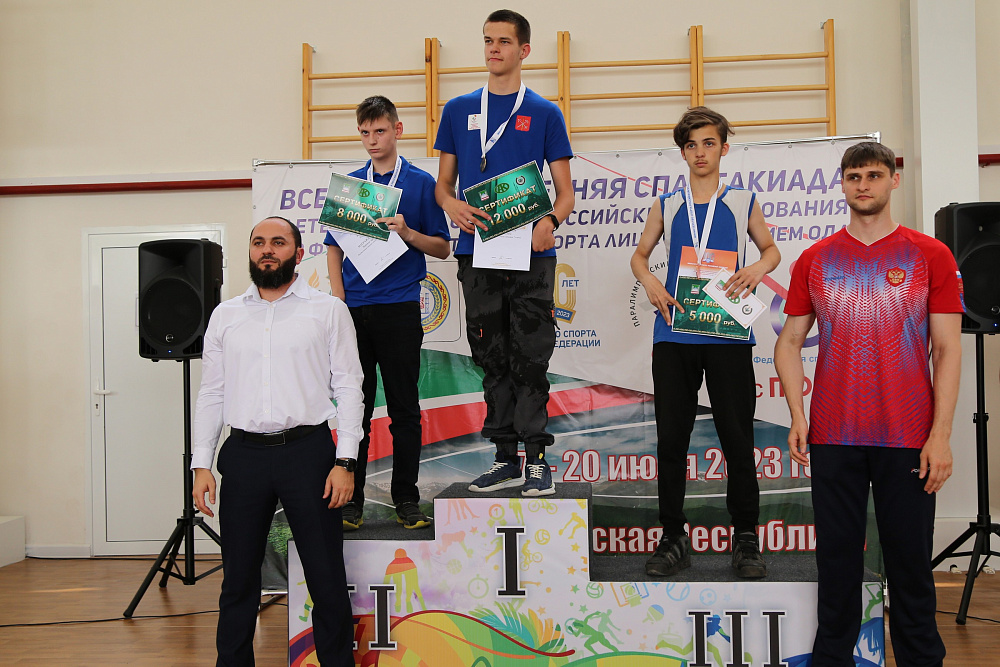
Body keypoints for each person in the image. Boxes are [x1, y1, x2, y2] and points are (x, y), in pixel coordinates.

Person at [773, 141, 962, 666]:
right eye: (853, 176)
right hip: (834, 435)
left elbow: (948, 348)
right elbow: (788, 343)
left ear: (893, 180)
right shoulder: (816, 259)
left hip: (908, 437)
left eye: (874, 175)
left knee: (910, 566)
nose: (863, 185)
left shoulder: (931, 255)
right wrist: (797, 415)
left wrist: (941, 435)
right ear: (842, 183)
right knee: (836, 565)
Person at [192, 216, 364, 667]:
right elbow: (211, 392)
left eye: (278, 242)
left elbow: (349, 387)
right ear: (250, 251)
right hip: (243, 456)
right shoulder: (225, 315)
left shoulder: (328, 310)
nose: (267, 249)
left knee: (326, 577)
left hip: (309, 454)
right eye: (259, 242)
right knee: (238, 581)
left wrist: (345, 461)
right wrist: (201, 464)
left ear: (298, 253)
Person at [630, 106, 780, 578]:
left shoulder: (743, 201)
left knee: (737, 437)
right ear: (683, 152)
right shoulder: (666, 204)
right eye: (691, 145)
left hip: (727, 331)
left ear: (723, 148)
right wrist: (650, 283)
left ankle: (746, 536)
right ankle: (673, 535)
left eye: (708, 143)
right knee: (672, 439)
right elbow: (640, 256)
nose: (700, 152)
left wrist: (757, 268)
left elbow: (771, 250)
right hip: (674, 332)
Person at [434, 9, 574, 497]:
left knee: (530, 357)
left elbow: (565, 193)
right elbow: (443, 187)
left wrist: (549, 222)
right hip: (478, 251)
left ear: (524, 50)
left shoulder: (545, 112)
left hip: (531, 255)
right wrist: (452, 206)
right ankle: (504, 458)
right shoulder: (458, 110)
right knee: (491, 355)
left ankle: (537, 460)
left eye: (504, 41)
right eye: (488, 40)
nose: (493, 49)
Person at [324, 95, 451, 531]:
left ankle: (406, 499)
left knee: (403, 409)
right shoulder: (350, 187)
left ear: (397, 130)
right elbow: (333, 247)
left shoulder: (420, 183)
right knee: (353, 409)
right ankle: (351, 500)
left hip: (399, 309)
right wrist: (339, 301)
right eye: (364, 133)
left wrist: (409, 232)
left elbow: (443, 247)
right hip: (354, 312)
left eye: (379, 131)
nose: (372, 140)